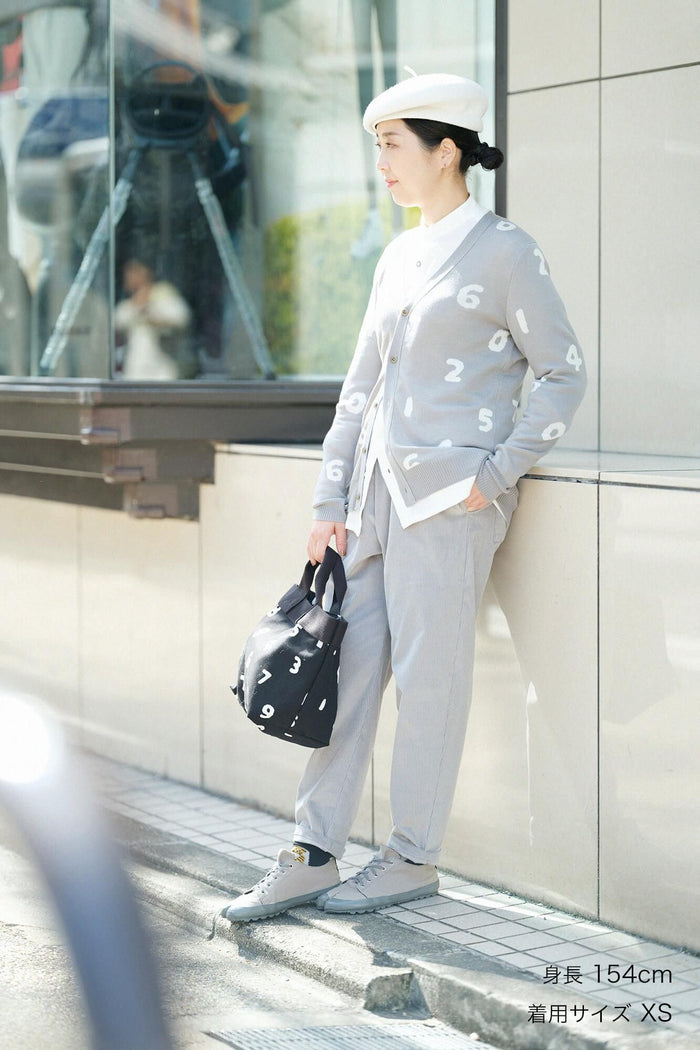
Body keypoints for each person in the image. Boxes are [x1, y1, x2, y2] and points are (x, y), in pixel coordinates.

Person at [223, 73, 587, 922]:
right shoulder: (396, 256)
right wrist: (329, 502)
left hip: (450, 503)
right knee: (343, 674)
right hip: (374, 502)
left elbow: (563, 373)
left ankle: (412, 857)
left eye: (392, 144)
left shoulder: (508, 253)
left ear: (446, 150)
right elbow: (361, 388)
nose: (380, 162)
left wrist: (493, 476)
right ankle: (312, 852)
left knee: (431, 684)